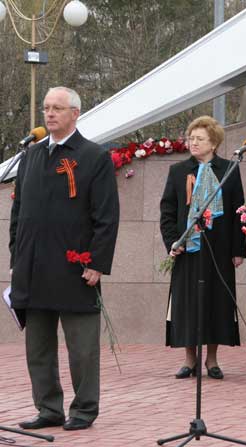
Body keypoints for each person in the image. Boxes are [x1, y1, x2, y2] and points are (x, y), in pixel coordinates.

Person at [10, 87, 120, 431]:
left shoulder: (93, 157)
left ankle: (84, 409)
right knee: (38, 347)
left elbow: (106, 215)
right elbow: (18, 213)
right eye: (45, 108)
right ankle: (48, 408)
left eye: (57, 108)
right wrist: (17, 254)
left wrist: (98, 262)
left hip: (76, 269)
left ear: (75, 113)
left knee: (82, 348)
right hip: (33, 268)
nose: (49, 114)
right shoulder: (30, 157)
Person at [160, 116, 245, 380]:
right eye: (191, 138)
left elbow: (237, 211)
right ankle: (189, 359)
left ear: (214, 143)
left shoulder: (229, 170)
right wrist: (173, 241)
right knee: (187, 302)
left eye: (199, 139)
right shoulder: (178, 171)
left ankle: (212, 359)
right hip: (187, 249)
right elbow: (168, 211)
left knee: (215, 301)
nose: (193, 143)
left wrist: (238, 249)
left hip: (218, 250)